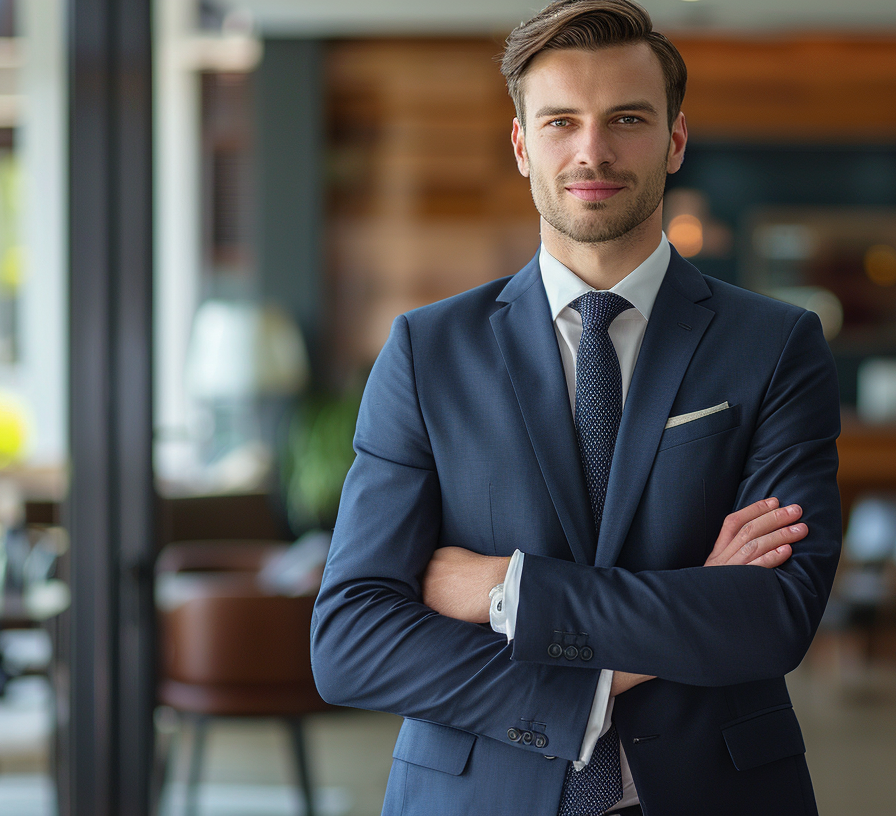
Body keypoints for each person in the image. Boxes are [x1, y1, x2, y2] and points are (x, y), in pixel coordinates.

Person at [309, 1, 842, 813]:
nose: (592, 151)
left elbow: (773, 615)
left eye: (626, 118)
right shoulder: (427, 352)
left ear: (675, 139)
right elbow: (350, 641)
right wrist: (616, 665)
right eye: (561, 121)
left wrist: (507, 589)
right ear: (522, 146)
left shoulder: (775, 346)